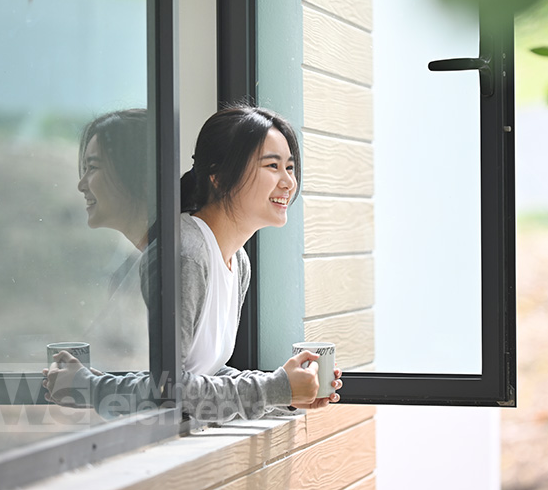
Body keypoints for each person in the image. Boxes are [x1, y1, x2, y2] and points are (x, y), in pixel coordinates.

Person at [43, 106, 343, 422]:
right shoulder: (185, 255)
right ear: (219, 176)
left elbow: (203, 376)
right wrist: (276, 388)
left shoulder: (237, 261)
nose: (288, 182)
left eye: (291, 167)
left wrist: (286, 392)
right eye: (273, 165)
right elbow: (170, 391)